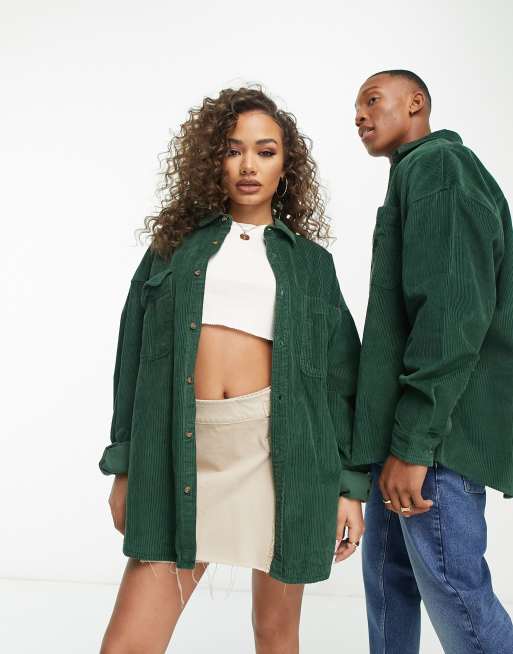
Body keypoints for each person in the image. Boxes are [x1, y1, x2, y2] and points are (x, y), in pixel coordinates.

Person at [98, 85, 371, 653]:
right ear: (211, 160)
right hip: (181, 448)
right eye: (232, 149)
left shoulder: (311, 265)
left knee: (275, 634)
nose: (249, 166)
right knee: (128, 645)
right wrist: (125, 466)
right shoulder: (173, 250)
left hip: (280, 453)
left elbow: (342, 379)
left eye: (265, 151)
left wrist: (348, 488)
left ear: (285, 166)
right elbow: (132, 356)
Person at [352, 69, 513, 653]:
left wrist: (414, 446)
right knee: (390, 593)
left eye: (373, 101)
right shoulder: (413, 174)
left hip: (431, 443)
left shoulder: (440, 169)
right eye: (356, 109)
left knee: (460, 604)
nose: (360, 117)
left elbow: (451, 315)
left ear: (416, 102)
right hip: (400, 439)